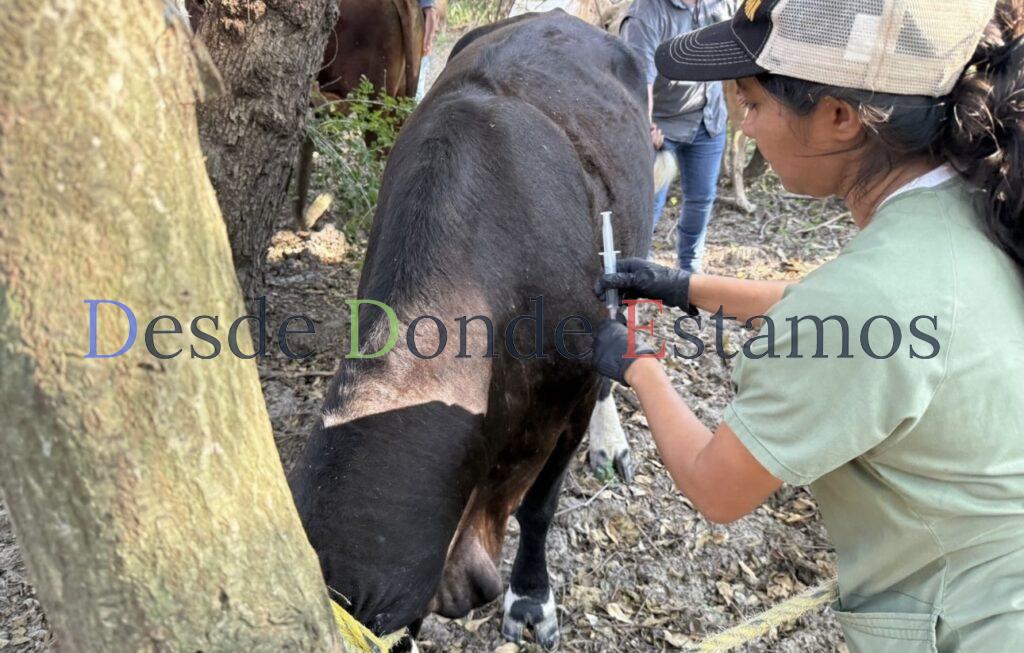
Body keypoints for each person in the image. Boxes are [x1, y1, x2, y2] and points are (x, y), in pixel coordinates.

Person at [592, 0, 1024, 650]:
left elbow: (717, 485)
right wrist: (685, 287)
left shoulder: (870, 297)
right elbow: (848, 312)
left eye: (754, 103)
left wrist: (638, 360)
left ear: (840, 116)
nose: (742, 126)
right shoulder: (969, 196)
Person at [620, 0, 734, 272]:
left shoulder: (722, 4)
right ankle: (636, 273)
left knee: (701, 199)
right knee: (648, 206)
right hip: (662, 125)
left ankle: (689, 272)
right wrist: (645, 128)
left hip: (709, 118)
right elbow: (638, 80)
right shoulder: (646, 13)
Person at [416, 0, 439, 101]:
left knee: (417, 89)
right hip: (411, 45)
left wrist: (427, 43)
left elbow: (431, 13)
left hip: (419, 46)